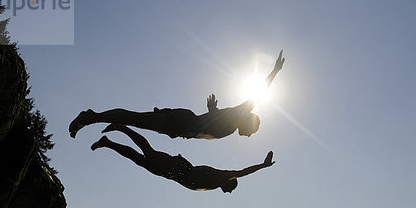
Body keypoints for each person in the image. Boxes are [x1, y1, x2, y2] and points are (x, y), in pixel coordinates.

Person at [69, 50, 285, 139]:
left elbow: (211, 122)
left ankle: (94, 117)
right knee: (134, 118)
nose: (248, 135)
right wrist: (275, 71)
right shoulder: (241, 113)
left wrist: (212, 110)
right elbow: (261, 92)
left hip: (179, 126)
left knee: (136, 120)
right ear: (248, 120)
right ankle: (91, 117)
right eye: (252, 130)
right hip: (180, 121)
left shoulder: (230, 125)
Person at [90, 125, 274, 193]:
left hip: (173, 175)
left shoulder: (216, 184)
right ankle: (122, 128)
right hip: (178, 168)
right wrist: (263, 166)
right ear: (230, 181)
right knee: (148, 152)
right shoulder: (223, 177)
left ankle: (108, 143)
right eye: (230, 188)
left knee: (139, 159)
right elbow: (243, 172)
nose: (229, 192)